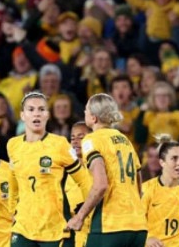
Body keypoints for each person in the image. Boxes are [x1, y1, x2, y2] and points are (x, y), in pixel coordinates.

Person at [8, 91, 89, 247]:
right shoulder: (13, 145)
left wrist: (82, 215)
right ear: (22, 115)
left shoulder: (60, 144)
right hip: (23, 228)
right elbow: (13, 180)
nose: (36, 114)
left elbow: (84, 180)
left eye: (41, 109)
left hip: (55, 230)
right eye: (31, 110)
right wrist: (13, 210)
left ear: (47, 115)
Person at [67, 93, 147, 247]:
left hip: (110, 225)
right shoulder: (126, 141)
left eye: (86, 110)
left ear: (94, 117)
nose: (84, 113)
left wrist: (79, 217)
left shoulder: (92, 140)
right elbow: (139, 187)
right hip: (138, 226)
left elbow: (101, 184)